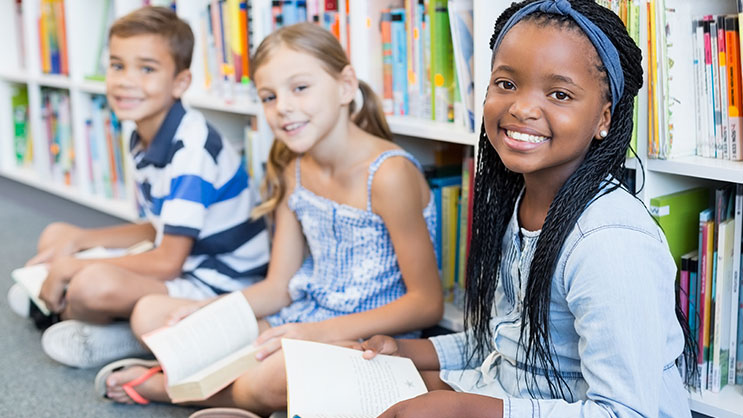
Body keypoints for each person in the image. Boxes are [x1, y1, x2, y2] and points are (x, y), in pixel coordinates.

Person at [357, 1, 697, 417]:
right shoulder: (522, 202)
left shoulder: (610, 243)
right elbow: (509, 337)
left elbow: (626, 412)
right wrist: (406, 350)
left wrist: (468, 410)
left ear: (603, 118)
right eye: (506, 84)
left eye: (559, 94)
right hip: (513, 390)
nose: (522, 108)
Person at [98, 22, 443, 414]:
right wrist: (212, 311)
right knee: (153, 313)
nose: (283, 108)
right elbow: (278, 286)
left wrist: (311, 333)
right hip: (300, 315)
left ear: (346, 85)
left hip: (366, 337)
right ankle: (214, 381)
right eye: (268, 96)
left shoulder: (389, 174)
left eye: (300, 88)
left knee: (275, 373)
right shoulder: (293, 171)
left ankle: (166, 385)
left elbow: (426, 304)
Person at [8, 6, 270, 369]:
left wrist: (72, 269)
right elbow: (160, 225)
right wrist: (77, 243)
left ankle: (122, 337)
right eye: (117, 66)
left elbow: (168, 261)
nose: (126, 81)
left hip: (215, 281)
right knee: (58, 234)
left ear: (180, 82)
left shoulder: (192, 149)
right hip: (180, 257)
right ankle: (75, 310)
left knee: (90, 285)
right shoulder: (141, 133)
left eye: (147, 69)